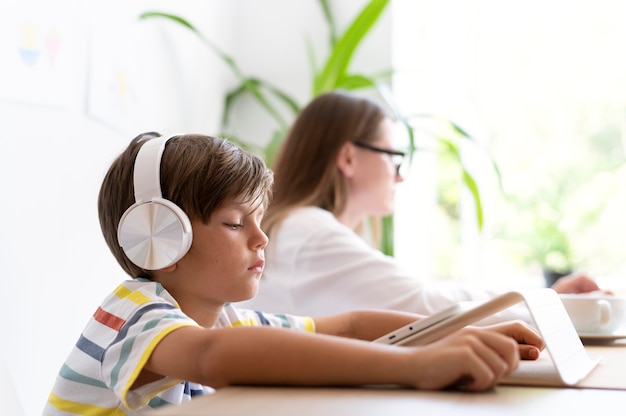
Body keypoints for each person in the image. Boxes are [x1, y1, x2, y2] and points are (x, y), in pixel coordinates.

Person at [43, 132, 544, 415]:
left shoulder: (226, 321)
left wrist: (461, 335)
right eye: (237, 223)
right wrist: (417, 366)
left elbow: (349, 325)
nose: (261, 239)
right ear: (160, 238)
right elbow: (214, 359)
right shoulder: (132, 314)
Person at [236, 90, 603, 320]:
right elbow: (425, 304)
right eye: (393, 157)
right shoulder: (309, 232)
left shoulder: (304, 230)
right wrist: (547, 301)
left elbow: (418, 295)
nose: (400, 176)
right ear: (348, 158)